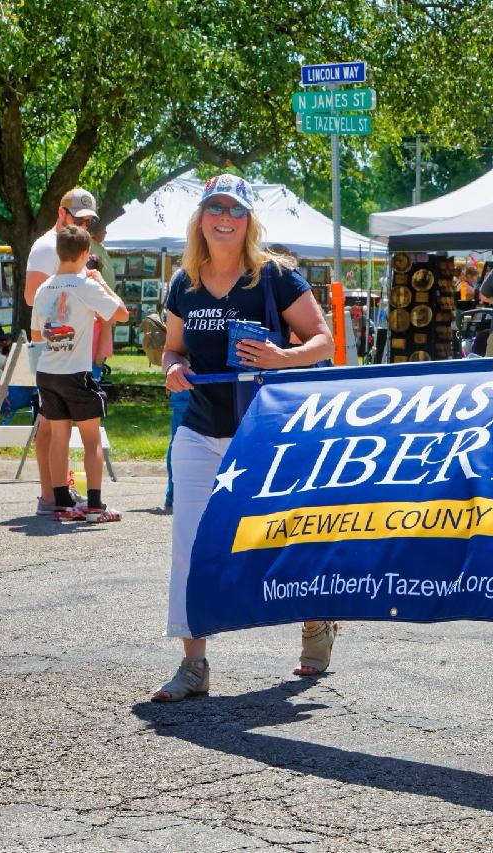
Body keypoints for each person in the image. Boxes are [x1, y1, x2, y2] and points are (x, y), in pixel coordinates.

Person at [155, 173, 337, 702]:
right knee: (189, 546)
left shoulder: (275, 276)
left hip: (266, 434)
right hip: (199, 432)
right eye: (215, 207)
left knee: (285, 535)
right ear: (201, 218)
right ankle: (194, 665)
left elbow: (322, 341)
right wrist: (171, 369)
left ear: (249, 220)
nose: (224, 218)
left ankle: (316, 620)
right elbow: (172, 350)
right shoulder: (183, 282)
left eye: (235, 209)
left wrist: (284, 357)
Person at [30, 225, 129, 523]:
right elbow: (121, 314)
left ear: (59, 252)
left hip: (47, 373)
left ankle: (62, 503)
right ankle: (95, 505)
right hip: (77, 373)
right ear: (85, 254)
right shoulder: (86, 285)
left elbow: (37, 333)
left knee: (58, 437)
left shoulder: (43, 289)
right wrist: (101, 281)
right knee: (91, 440)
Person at [25, 187, 102, 515]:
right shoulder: (46, 248)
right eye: (78, 218)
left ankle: (59, 491)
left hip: (70, 347)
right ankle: (50, 494)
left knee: (57, 422)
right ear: (61, 213)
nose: (84, 224)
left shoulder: (73, 245)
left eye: (89, 220)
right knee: (50, 422)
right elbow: (32, 296)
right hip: (53, 346)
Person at [87, 223, 118, 382]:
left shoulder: (101, 248)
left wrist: (98, 362)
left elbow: (113, 319)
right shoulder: (89, 245)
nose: (105, 232)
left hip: (91, 362)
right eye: (102, 228)